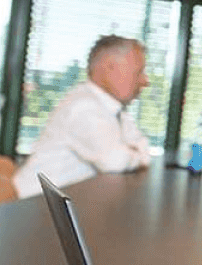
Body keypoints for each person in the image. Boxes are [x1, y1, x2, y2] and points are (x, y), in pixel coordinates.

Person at [13, 35, 151, 198]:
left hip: (65, 205)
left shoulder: (113, 109)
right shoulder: (83, 106)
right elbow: (114, 161)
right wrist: (133, 154)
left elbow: (144, 149)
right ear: (109, 68)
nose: (145, 81)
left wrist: (132, 153)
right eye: (138, 72)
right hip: (34, 207)